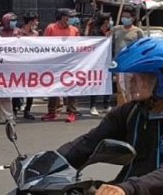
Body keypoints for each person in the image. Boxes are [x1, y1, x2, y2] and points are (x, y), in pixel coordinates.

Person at [57, 37, 163, 195]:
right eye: (130, 77)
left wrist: (125, 188)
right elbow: (87, 144)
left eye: (139, 78)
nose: (131, 82)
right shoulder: (129, 113)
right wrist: (50, 161)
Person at [42, 8, 81, 123]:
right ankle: (51, 111)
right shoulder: (51, 28)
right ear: (63, 17)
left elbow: (79, 45)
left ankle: (71, 112)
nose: (73, 19)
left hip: (70, 63)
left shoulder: (74, 30)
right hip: (54, 63)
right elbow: (43, 45)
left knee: (72, 87)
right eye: (71, 16)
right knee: (53, 87)